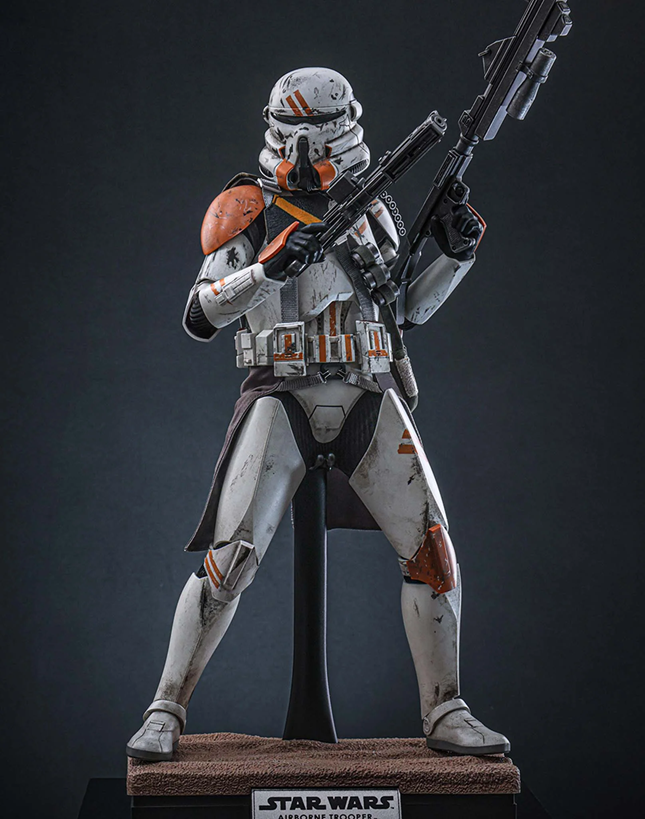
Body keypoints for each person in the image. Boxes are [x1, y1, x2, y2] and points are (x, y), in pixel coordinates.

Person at [126, 67, 509, 761]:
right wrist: (265, 270)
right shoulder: (248, 206)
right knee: (231, 558)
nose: (306, 147)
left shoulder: (374, 207)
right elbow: (200, 313)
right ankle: (165, 708)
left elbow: (404, 311)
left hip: (366, 389)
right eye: (295, 131)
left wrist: (457, 256)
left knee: (432, 550)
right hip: (281, 394)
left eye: (318, 131)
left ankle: (445, 708)